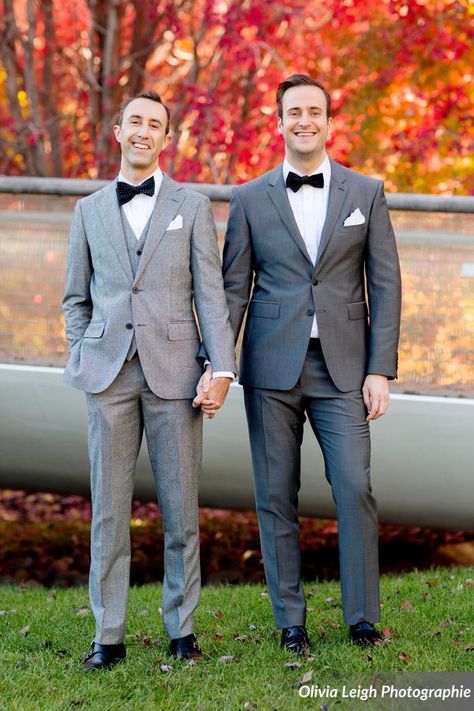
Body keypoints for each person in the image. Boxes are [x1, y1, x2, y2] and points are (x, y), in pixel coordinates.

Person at [216, 74, 401, 653]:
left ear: (328, 120)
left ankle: (361, 617)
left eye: (315, 111)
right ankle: (290, 620)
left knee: (354, 486)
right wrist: (218, 364)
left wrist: (380, 368)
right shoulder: (248, 198)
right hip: (270, 367)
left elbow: (386, 285)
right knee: (276, 495)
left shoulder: (366, 193)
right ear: (278, 122)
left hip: (345, 369)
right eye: (293, 111)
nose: (304, 120)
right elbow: (232, 291)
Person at [62, 90, 235, 669]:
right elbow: (75, 298)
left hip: (175, 376)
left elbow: (210, 294)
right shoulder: (87, 210)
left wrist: (220, 367)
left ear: (167, 139)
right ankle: (107, 635)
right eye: (134, 121)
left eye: (154, 124)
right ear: (117, 131)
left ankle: (181, 631)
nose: (143, 131)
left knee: (181, 511)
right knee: (109, 512)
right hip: (108, 376)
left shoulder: (192, 204)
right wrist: (83, 353)